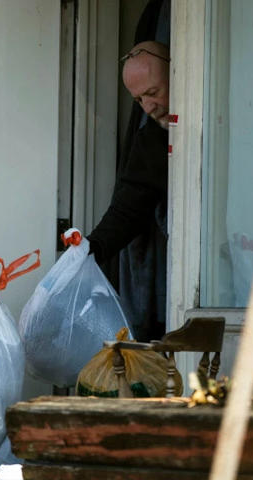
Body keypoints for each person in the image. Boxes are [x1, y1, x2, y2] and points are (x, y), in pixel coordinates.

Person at [87, 38, 170, 343]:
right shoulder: (150, 138)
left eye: (153, 92)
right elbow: (128, 207)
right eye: (138, 100)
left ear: (178, 74)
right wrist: (89, 249)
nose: (148, 107)